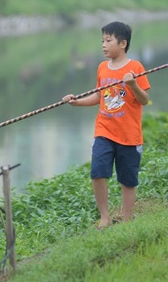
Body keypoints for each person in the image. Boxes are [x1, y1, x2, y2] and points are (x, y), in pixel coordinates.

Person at [62, 21, 150, 230]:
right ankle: (105, 217)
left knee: (128, 180)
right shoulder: (102, 67)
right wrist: (77, 102)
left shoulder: (135, 68)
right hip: (104, 130)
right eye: (102, 41)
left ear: (122, 43)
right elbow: (100, 96)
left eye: (108, 40)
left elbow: (144, 99)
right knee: (97, 172)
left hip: (129, 134)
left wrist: (133, 84)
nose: (103, 45)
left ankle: (127, 220)